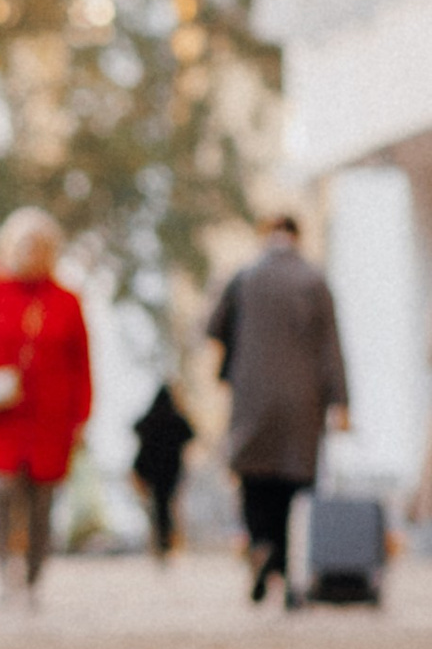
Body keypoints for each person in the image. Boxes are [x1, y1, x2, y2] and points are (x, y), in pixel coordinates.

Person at [205, 213, 349, 604]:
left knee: (254, 479)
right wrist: (341, 402)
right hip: (303, 401)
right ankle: (288, 570)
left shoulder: (243, 277)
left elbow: (212, 326)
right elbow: (330, 347)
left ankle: (260, 544)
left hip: (252, 397)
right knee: (295, 486)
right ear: (298, 237)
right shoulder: (315, 280)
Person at [0, 210, 93, 593]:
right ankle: (2, 568)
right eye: (24, 244)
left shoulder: (66, 300)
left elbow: (81, 364)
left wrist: (81, 417)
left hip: (50, 417)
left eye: (39, 246)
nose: (31, 253)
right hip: (1, 416)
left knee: (41, 500)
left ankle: (33, 571)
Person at [131, 379, 193, 559]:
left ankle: (161, 541)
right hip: (171, 470)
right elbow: (190, 434)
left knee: (159, 505)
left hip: (152, 470)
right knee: (166, 505)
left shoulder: (150, 418)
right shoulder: (175, 419)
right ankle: (165, 541)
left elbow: (136, 428)